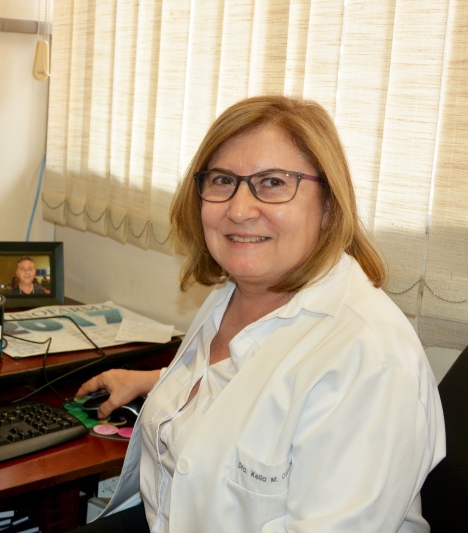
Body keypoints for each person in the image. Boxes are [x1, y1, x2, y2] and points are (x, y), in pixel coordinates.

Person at [74, 95, 446, 532]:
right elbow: (252, 382)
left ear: (328, 204)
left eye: (272, 182)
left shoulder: (371, 360)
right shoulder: (236, 293)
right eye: (222, 180)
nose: (239, 208)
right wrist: (154, 381)